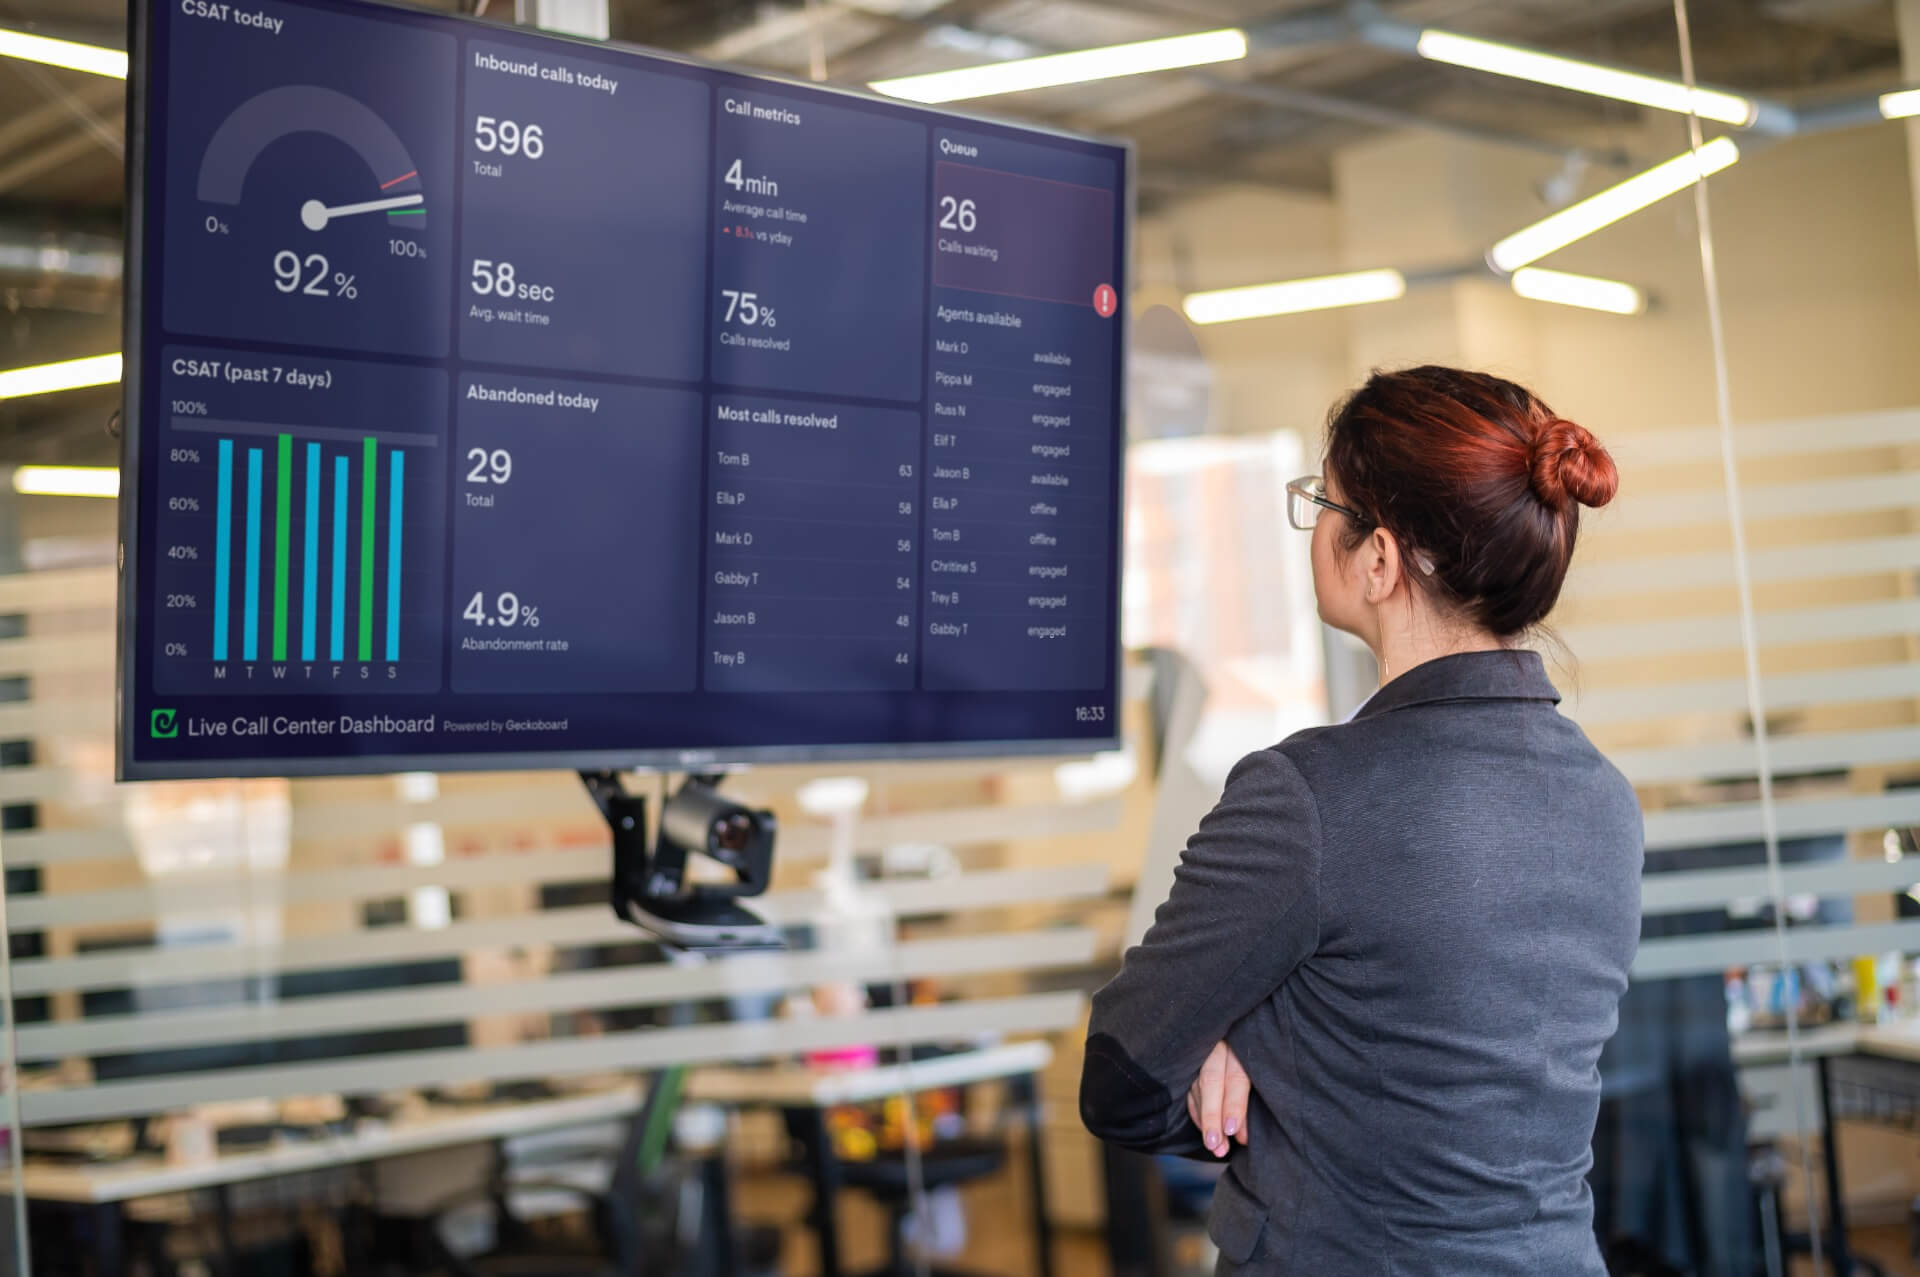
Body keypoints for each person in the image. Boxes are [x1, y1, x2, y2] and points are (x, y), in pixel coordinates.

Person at [1080, 366, 1643, 1274]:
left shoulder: (1306, 797)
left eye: (1323, 504)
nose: (1312, 529)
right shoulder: (1604, 799)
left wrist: (1244, 1065)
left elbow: (1121, 1077)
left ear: (1378, 559)